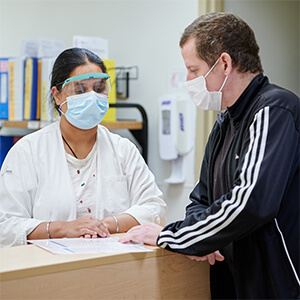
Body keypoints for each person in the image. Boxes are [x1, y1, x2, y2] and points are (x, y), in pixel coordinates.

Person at [120, 12, 300, 299]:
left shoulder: (274, 109)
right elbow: (201, 198)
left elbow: (250, 203)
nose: (189, 80)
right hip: (233, 277)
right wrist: (204, 239)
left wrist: (172, 236)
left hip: (276, 282)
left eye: (193, 70)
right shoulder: (224, 121)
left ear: (225, 63)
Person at [0, 47, 166, 247]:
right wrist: (64, 229)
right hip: (50, 268)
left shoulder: (123, 150)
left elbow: (155, 208)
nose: (92, 96)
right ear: (57, 95)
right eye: (80, 90)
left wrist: (104, 225)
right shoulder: (28, 151)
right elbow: (7, 225)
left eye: (99, 88)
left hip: (113, 266)